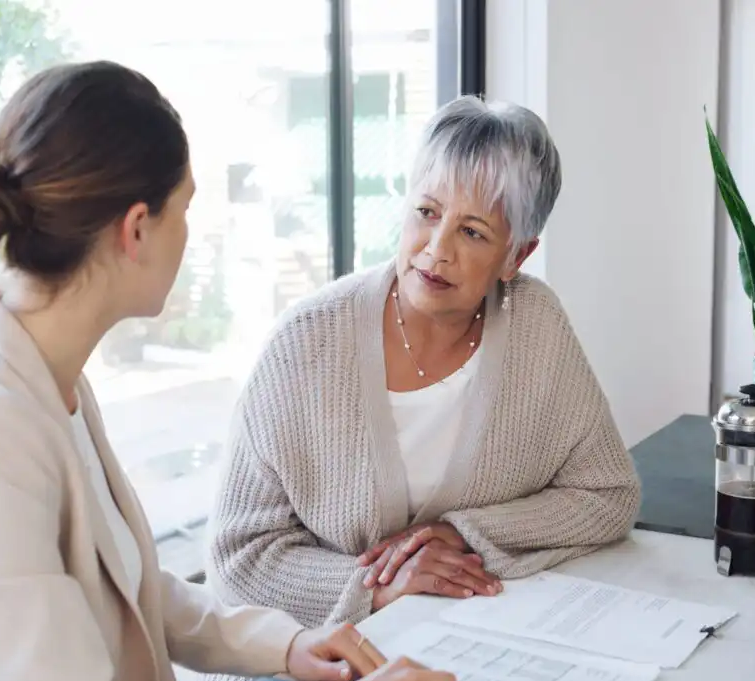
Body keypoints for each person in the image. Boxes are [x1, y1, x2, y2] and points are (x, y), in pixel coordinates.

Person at [0, 61, 452, 681]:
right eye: (185, 207)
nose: (189, 234)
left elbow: (128, 585)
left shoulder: (46, 378)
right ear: (137, 229)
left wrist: (287, 645)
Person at [205, 96, 642, 642]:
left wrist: (460, 533)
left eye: (473, 232)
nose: (437, 250)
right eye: (427, 212)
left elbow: (607, 494)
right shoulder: (308, 340)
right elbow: (237, 558)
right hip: (311, 657)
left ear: (517, 256)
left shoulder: (537, 325)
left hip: (464, 642)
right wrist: (379, 586)